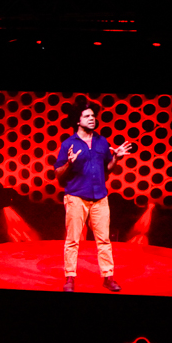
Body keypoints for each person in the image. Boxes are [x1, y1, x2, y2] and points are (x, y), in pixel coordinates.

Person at [54, 100, 133, 292]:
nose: (92, 119)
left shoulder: (101, 141)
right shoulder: (68, 144)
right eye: (87, 116)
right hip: (76, 197)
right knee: (73, 240)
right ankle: (70, 278)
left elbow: (107, 170)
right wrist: (69, 164)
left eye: (93, 116)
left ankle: (108, 277)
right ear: (77, 121)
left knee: (104, 240)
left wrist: (116, 158)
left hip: (100, 198)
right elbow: (58, 175)